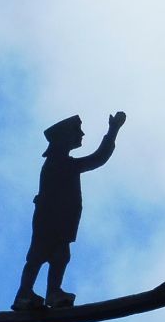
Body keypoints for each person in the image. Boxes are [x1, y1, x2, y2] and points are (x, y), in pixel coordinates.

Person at [13, 111, 126, 310]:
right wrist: (113, 131)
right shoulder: (60, 163)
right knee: (39, 255)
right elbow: (97, 158)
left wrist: (113, 131)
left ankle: (51, 292)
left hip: (61, 220)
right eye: (77, 131)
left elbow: (97, 159)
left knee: (59, 256)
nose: (81, 134)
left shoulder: (62, 163)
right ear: (65, 138)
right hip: (50, 220)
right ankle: (25, 294)